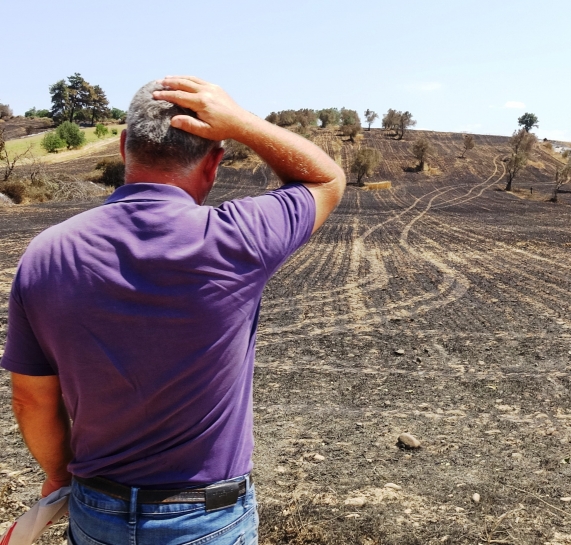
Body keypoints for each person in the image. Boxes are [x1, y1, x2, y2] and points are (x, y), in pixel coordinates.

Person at [1, 76, 345, 544]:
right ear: (215, 163)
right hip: (208, 519)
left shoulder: (46, 254)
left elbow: (31, 399)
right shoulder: (238, 237)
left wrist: (61, 477)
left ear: (124, 147)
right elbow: (325, 178)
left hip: (96, 509)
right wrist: (242, 123)